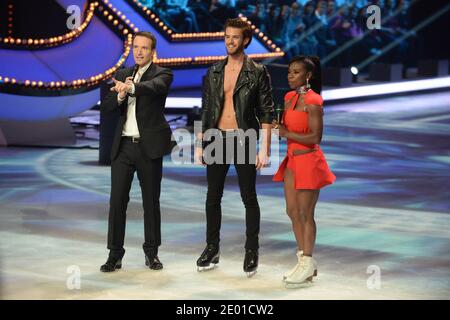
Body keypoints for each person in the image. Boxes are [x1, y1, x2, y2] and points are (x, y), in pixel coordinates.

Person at [194, 18, 274, 277]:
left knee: (248, 197)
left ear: (246, 40)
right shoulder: (215, 71)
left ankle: (252, 249)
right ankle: (212, 248)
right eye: (227, 36)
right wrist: (199, 143)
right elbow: (206, 108)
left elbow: (266, 112)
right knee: (212, 196)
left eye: (235, 37)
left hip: (244, 137)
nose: (230, 41)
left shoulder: (257, 71)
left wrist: (265, 149)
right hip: (217, 138)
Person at [100, 31, 175, 272]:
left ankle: (151, 253)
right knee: (117, 201)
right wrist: (120, 94)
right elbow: (108, 107)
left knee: (151, 202)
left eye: (144, 48)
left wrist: (132, 88)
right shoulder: (122, 74)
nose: (139, 52)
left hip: (147, 148)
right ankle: (114, 254)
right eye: (136, 47)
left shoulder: (163, 73)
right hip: (122, 148)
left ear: (153, 52)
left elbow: (153, 88)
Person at [272, 55, 335, 288]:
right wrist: (279, 128)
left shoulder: (314, 101)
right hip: (291, 162)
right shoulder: (288, 98)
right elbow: (286, 128)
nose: (290, 76)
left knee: (306, 213)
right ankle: (303, 260)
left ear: (308, 75)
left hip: (309, 162)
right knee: (292, 211)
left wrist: (287, 134)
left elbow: (315, 137)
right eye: (289, 72)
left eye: (296, 72)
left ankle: (308, 260)